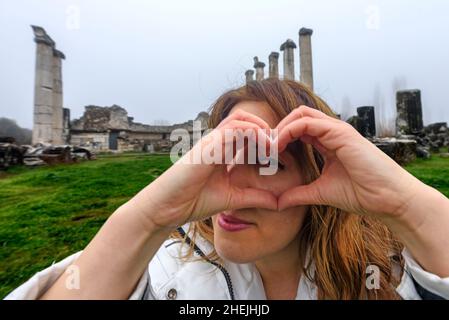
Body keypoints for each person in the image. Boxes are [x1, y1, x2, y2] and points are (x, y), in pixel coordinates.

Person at [6, 79, 449, 300]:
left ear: (320, 174)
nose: (230, 180)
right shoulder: (166, 272)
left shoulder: (393, 276)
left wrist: (404, 202)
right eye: (220, 152)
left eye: (264, 158)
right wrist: (146, 219)